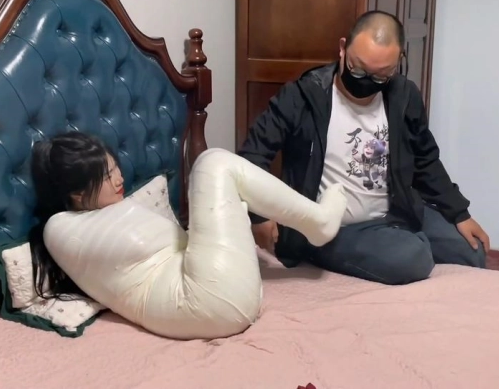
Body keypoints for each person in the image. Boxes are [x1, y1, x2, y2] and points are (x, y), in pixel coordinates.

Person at [237, 10, 490, 286]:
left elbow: (425, 160)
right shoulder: (304, 95)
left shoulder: (404, 96)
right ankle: (315, 248)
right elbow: (252, 156)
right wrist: (258, 215)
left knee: (471, 251)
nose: (365, 81)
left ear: (397, 63)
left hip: (396, 211)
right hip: (330, 225)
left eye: (380, 76)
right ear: (343, 48)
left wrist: (459, 212)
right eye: (357, 68)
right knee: (413, 258)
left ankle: (394, 239)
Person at [28, 131, 347, 339]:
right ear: (77, 194)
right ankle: (318, 223)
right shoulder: (59, 229)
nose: (119, 179)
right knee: (213, 163)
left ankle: (315, 222)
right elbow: (148, 241)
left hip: (212, 294)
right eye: (106, 176)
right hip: (202, 301)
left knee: (224, 180)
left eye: (115, 168)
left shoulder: (105, 215)